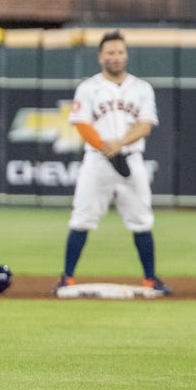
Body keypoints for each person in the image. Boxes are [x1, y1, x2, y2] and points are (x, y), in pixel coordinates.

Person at [54, 31, 172, 295]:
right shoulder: (88, 87)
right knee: (82, 218)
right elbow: (82, 123)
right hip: (97, 163)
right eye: (110, 53)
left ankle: (150, 279)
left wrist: (119, 144)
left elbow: (145, 125)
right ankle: (67, 278)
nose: (116, 57)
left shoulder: (141, 88)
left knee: (142, 220)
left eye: (120, 52)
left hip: (131, 160)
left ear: (126, 55)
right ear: (100, 57)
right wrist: (107, 148)